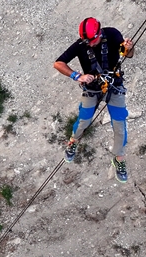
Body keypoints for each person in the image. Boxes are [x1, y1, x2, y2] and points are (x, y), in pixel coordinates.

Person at [53, 17, 136, 183]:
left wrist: (130, 48)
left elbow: (127, 55)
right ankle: (73, 140)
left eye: (92, 40)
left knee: (119, 125)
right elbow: (58, 63)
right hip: (92, 88)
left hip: (114, 85)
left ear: (99, 33)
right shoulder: (81, 44)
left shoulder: (112, 34)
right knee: (83, 120)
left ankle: (119, 158)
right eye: (87, 41)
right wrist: (77, 76)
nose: (89, 44)